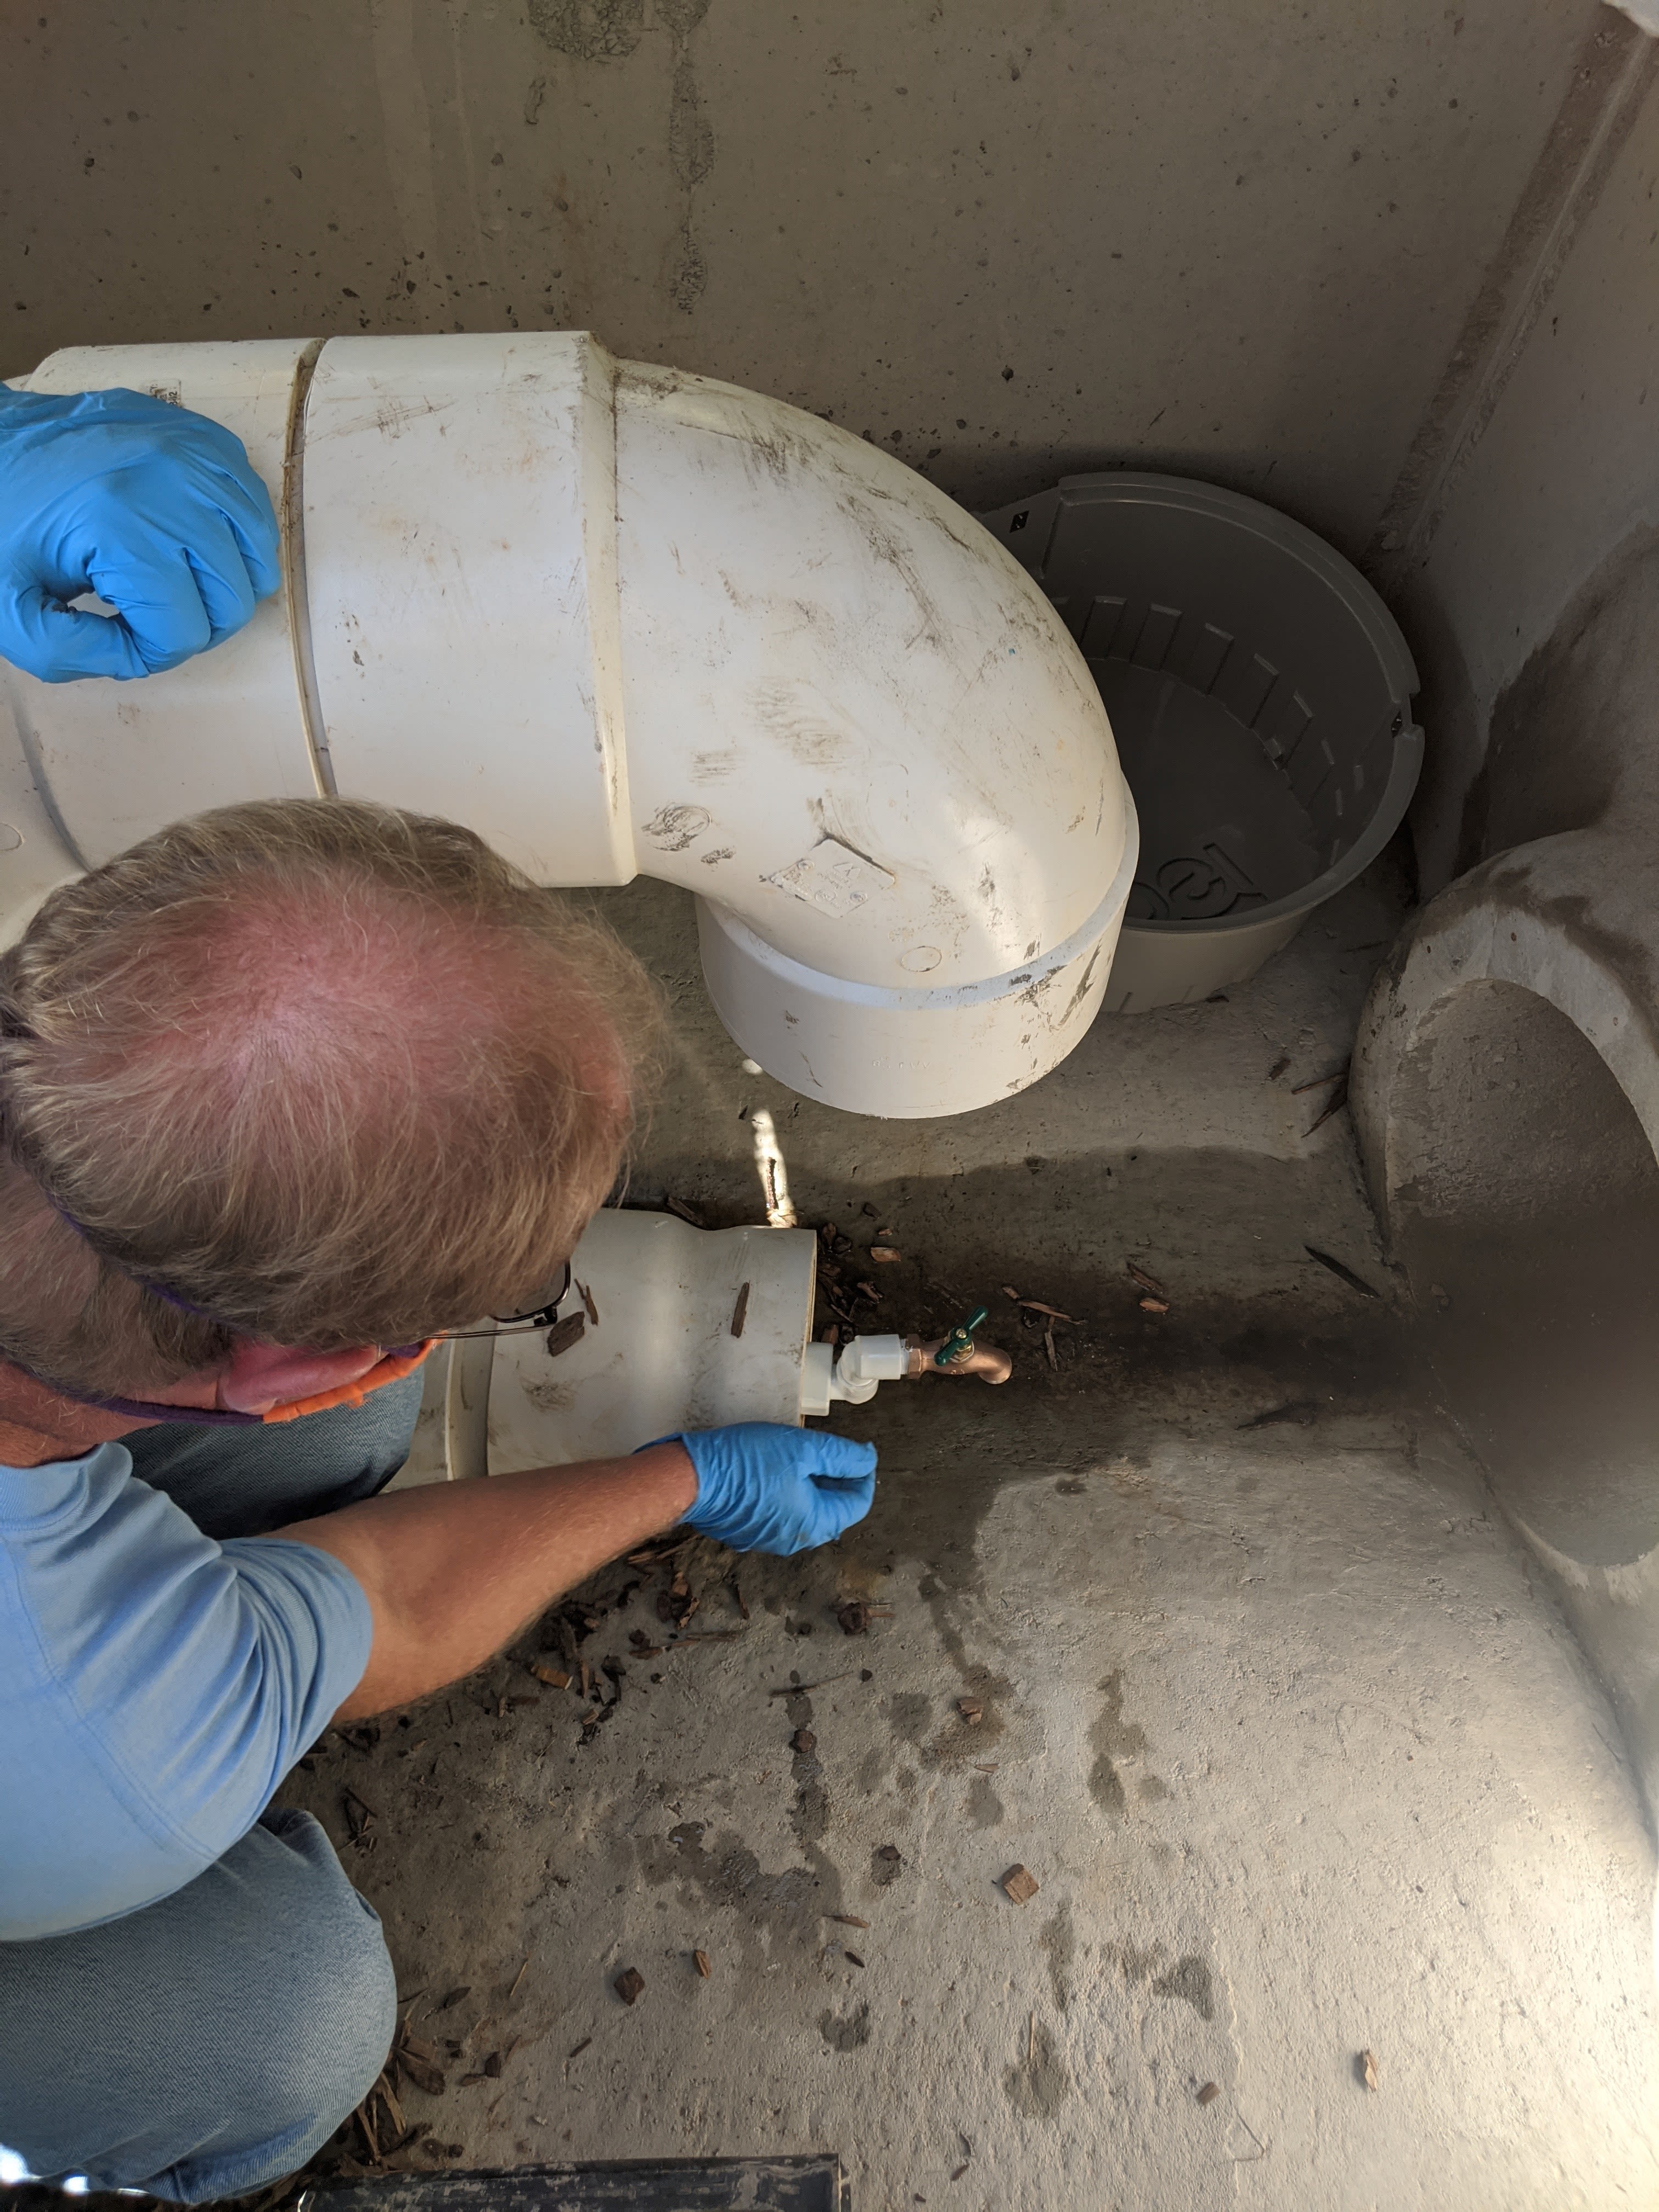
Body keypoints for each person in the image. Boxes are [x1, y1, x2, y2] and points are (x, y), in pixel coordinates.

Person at [0, 398, 879, 2200]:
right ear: (298, 1365)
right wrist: (687, 1482)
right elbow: (383, 1612)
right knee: (289, 2016)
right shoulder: (116, 1747)